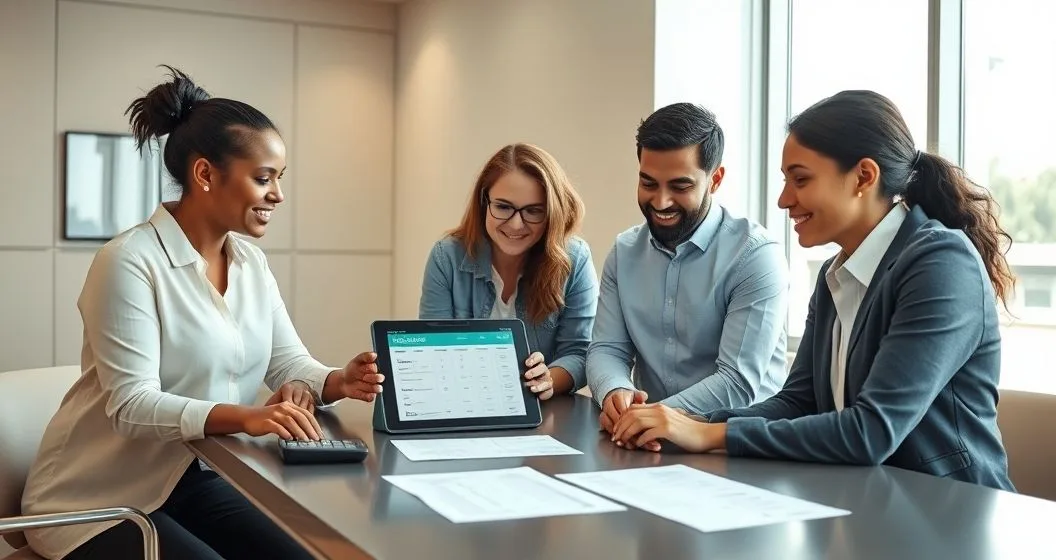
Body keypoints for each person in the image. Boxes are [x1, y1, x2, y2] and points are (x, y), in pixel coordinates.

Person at [21, 67, 386, 559]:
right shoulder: (129, 262)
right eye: (263, 178)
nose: (277, 194)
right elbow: (132, 405)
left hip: (185, 479)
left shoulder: (251, 264)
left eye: (279, 178)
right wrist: (249, 417)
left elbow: (289, 362)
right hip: (94, 500)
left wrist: (341, 380)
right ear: (206, 174)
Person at [611, 90, 1016, 491]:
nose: (784, 199)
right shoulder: (834, 275)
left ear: (864, 176)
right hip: (866, 500)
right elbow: (797, 402)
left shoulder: (940, 263)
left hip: (951, 512)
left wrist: (709, 436)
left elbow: (871, 431)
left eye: (800, 179)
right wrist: (690, 425)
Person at [587, 103, 789, 437]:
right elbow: (607, 349)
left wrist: (652, 418)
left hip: (738, 447)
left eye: (680, 187)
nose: (661, 201)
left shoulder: (755, 256)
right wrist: (614, 392)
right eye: (648, 183)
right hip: (648, 441)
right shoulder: (624, 253)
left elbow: (737, 383)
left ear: (716, 179)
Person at [418, 143, 597, 398]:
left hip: (541, 414)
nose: (516, 224)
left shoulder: (575, 259)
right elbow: (433, 350)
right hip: (463, 403)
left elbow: (579, 353)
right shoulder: (446, 256)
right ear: (484, 203)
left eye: (534, 211)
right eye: (503, 207)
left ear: (552, 214)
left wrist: (548, 380)